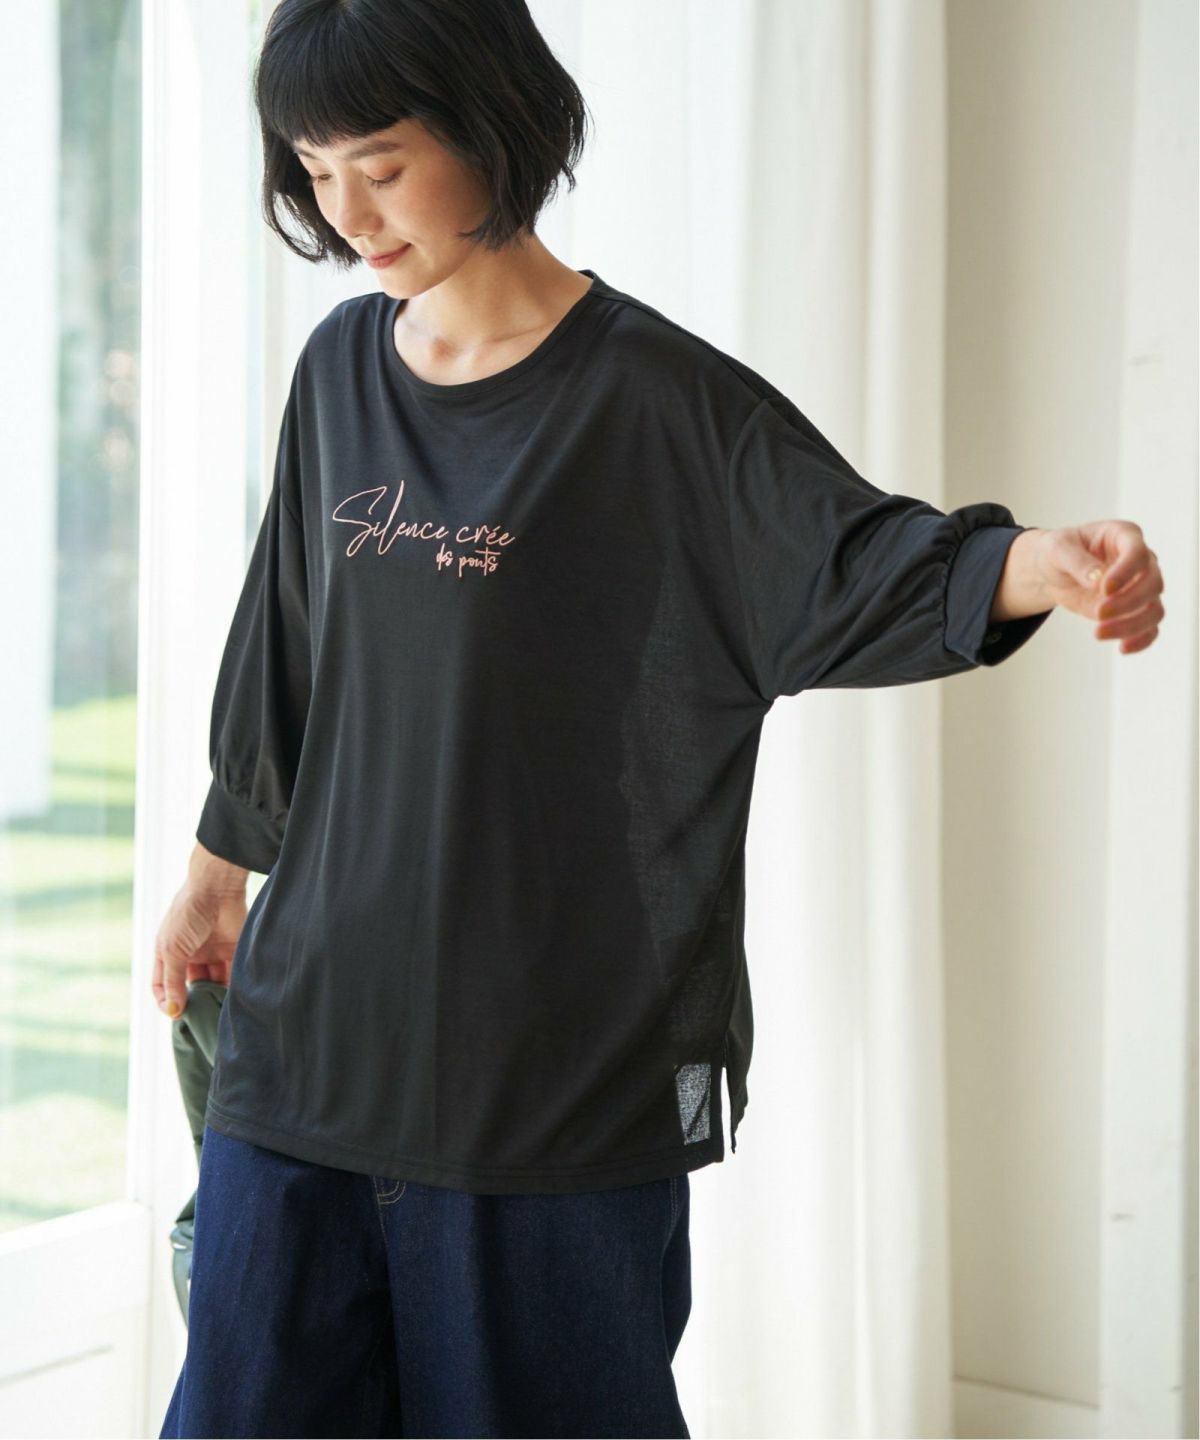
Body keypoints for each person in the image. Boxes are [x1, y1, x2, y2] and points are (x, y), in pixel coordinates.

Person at [151, 1, 1165, 1435]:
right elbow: (286, 654)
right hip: (309, 1044)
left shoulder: (655, 401)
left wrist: (1041, 565)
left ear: (490, 125)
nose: (346, 214)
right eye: (315, 172)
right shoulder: (337, 374)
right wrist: (213, 875)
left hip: (551, 1083)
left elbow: (849, 559)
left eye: (380, 165)